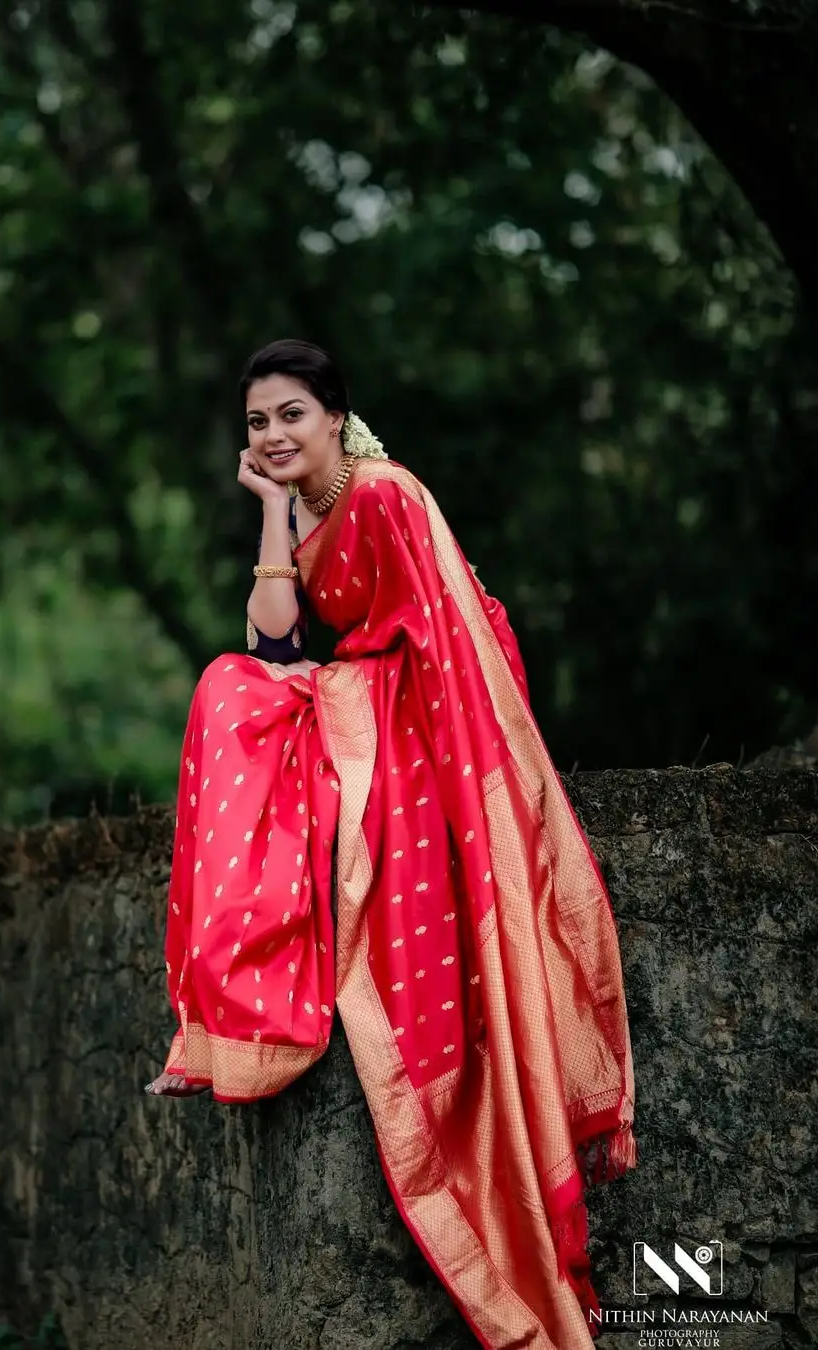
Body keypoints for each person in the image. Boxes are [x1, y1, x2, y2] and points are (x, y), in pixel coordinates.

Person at [145, 339, 637, 1349]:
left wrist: (421, 758)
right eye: (256, 423)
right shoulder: (318, 511)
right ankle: (238, 1015)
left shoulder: (387, 495)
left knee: (233, 700)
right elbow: (274, 640)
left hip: (422, 714)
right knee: (231, 689)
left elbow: (450, 643)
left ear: (334, 415)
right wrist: (276, 510)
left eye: (290, 415)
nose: (273, 435)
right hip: (368, 700)